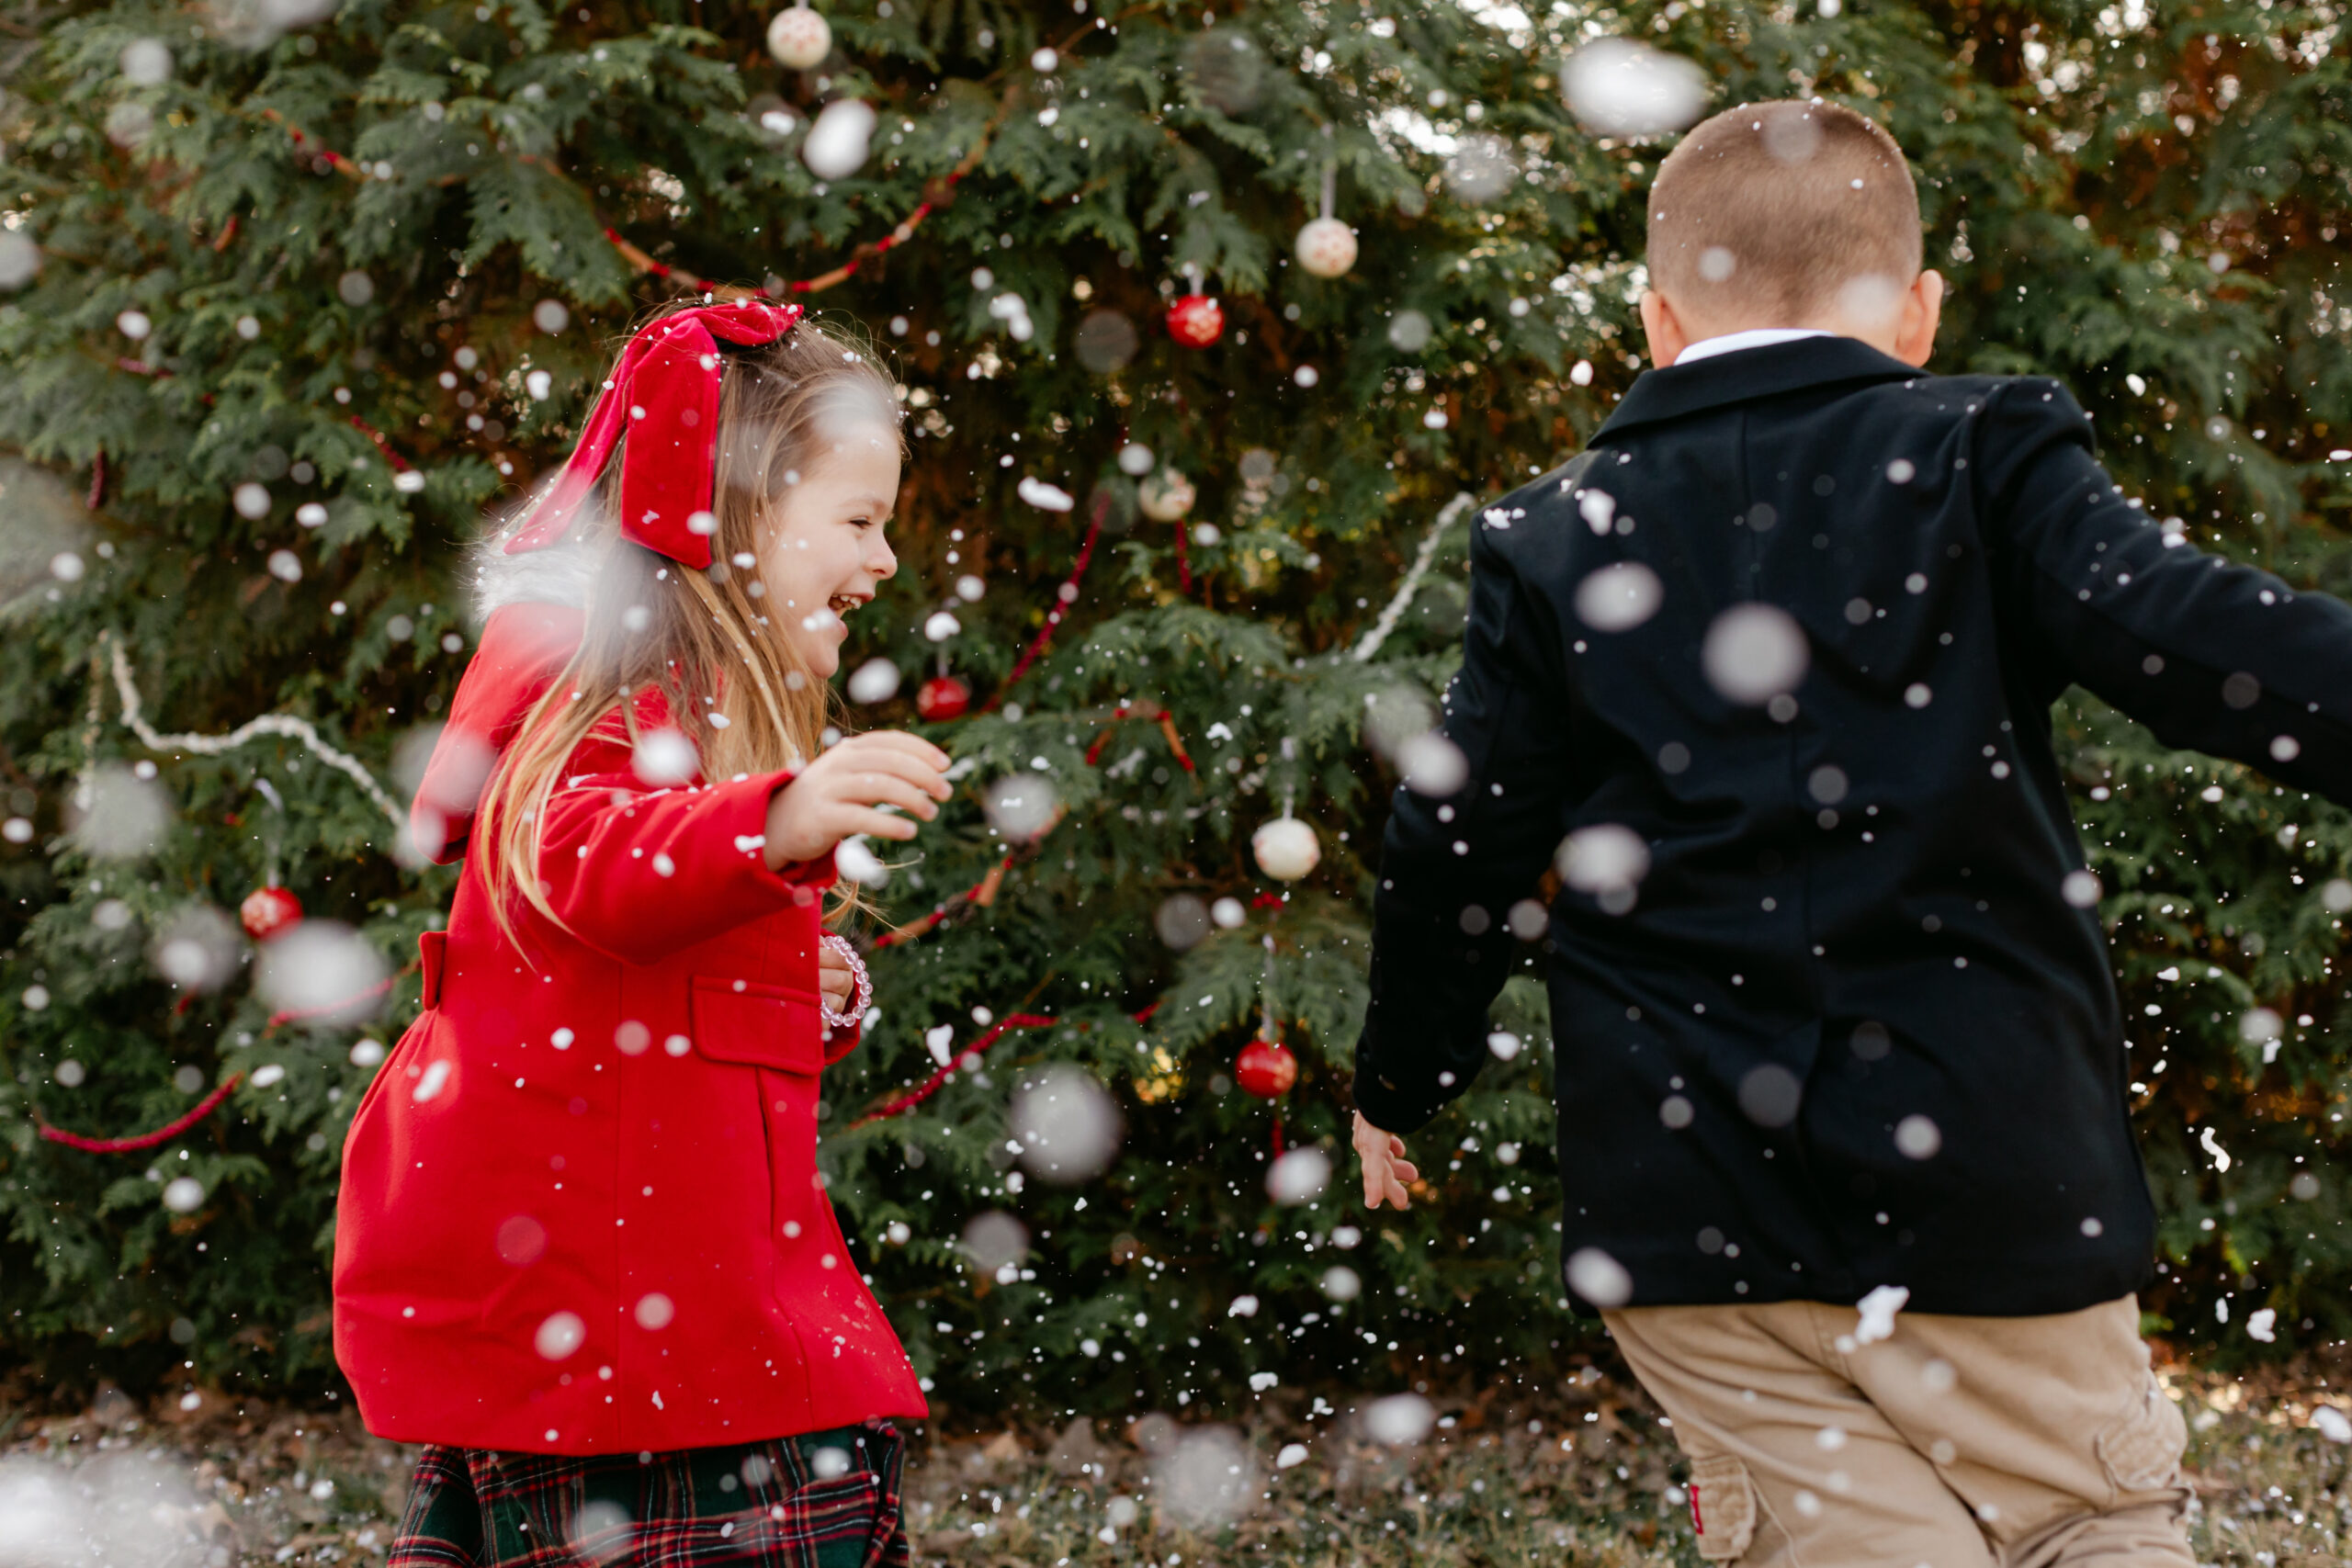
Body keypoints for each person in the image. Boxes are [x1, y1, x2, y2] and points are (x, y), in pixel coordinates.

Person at [1348, 98, 2352, 1566]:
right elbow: (2192, 641)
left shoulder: (1560, 532)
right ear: (1919, 307)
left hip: (1698, 1211)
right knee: (2093, 1526)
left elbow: (1462, 838)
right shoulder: (1977, 454)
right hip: (1986, 1173)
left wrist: (1403, 1073)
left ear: (1657, 318)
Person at [334, 300, 952, 1567]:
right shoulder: (611, 691)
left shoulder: (701, 711)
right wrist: (775, 821)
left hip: (674, 1300)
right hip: (627, 1328)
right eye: (858, 521)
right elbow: (587, 861)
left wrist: (802, 978)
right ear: (738, 520)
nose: (884, 560)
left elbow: (661, 966)